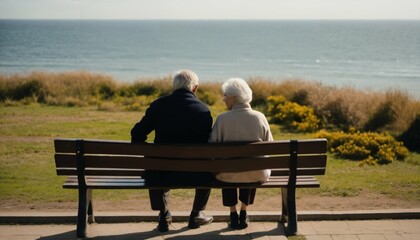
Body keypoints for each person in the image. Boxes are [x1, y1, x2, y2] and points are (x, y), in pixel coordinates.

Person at [131, 70, 214, 232]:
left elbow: (137, 134)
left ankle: (164, 214)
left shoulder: (158, 106)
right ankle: (196, 213)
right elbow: (208, 142)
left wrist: (145, 147)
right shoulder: (204, 110)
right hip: (196, 174)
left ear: (174, 87)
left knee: (153, 163)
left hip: (162, 172)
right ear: (195, 88)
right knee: (208, 164)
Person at [209, 78, 273, 229]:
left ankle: (233, 214)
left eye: (226, 95)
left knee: (229, 166)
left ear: (234, 97)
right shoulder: (260, 117)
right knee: (251, 165)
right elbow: (270, 146)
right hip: (256, 173)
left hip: (227, 175)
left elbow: (211, 146)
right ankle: (243, 212)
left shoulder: (222, 119)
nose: (223, 99)